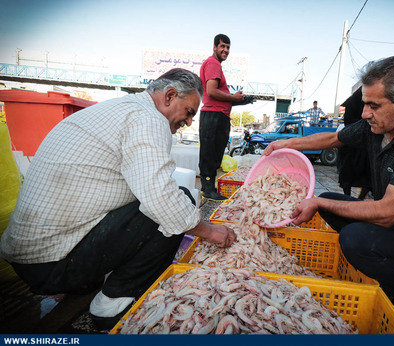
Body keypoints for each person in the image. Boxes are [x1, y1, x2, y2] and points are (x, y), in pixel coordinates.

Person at [0, 68, 236, 330]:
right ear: (169, 96)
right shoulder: (148, 118)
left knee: (160, 202)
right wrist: (209, 231)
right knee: (175, 203)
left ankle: (89, 282)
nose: (190, 122)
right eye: (190, 112)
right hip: (52, 264)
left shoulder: (120, 109)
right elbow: (161, 199)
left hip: (30, 259)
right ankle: (110, 305)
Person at [264, 56, 394, 329]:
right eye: (365, 104)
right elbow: (333, 138)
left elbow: (387, 212)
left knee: (354, 239)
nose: (365, 113)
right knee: (329, 202)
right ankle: (389, 267)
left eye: (373, 105)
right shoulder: (376, 126)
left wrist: (317, 200)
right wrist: (288, 143)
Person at [199, 33, 245, 201]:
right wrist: (234, 98)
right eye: (222, 46)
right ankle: (208, 189)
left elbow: (217, 93)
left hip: (217, 115)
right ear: (214, 47)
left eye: (228, 47)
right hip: (213, 116)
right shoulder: (213, 63)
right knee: (209, 154)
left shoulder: (214, 64)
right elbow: (211, 91)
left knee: (214, 153)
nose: (225, 50)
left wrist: (239, 100)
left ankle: (209, 188)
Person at [336, 87, 371, 199]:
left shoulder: (354, 102)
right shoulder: (355, 103)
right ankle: (355, 199)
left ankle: (355, 199)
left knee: (363, 176)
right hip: (355, 143)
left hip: (357, 144)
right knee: (361, 176)